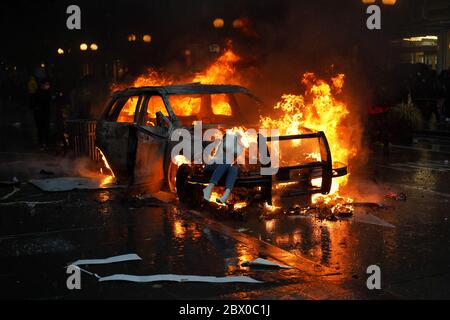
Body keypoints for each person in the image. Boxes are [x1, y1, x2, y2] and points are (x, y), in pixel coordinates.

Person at [203, 132, 245, 204]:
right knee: (226, 162)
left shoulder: (238, 147)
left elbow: (236, 152)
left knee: (233, 169)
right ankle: (208, 188)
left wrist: (237, 142)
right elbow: (226, 147)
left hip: (223, 168)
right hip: (212, 166)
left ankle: (226, 195)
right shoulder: (223, 143)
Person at [33, 80, 52, 150]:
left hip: (46, 114)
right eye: (46, 84)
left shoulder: (47, 92)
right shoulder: (38, 93)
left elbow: (49, 102)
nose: (48, 86)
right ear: (42, 85)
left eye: (48, 84)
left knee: (46, 129)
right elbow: (35, 104)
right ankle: (41, 144)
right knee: (40, 129)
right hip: (40, 114)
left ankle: (47, 144)